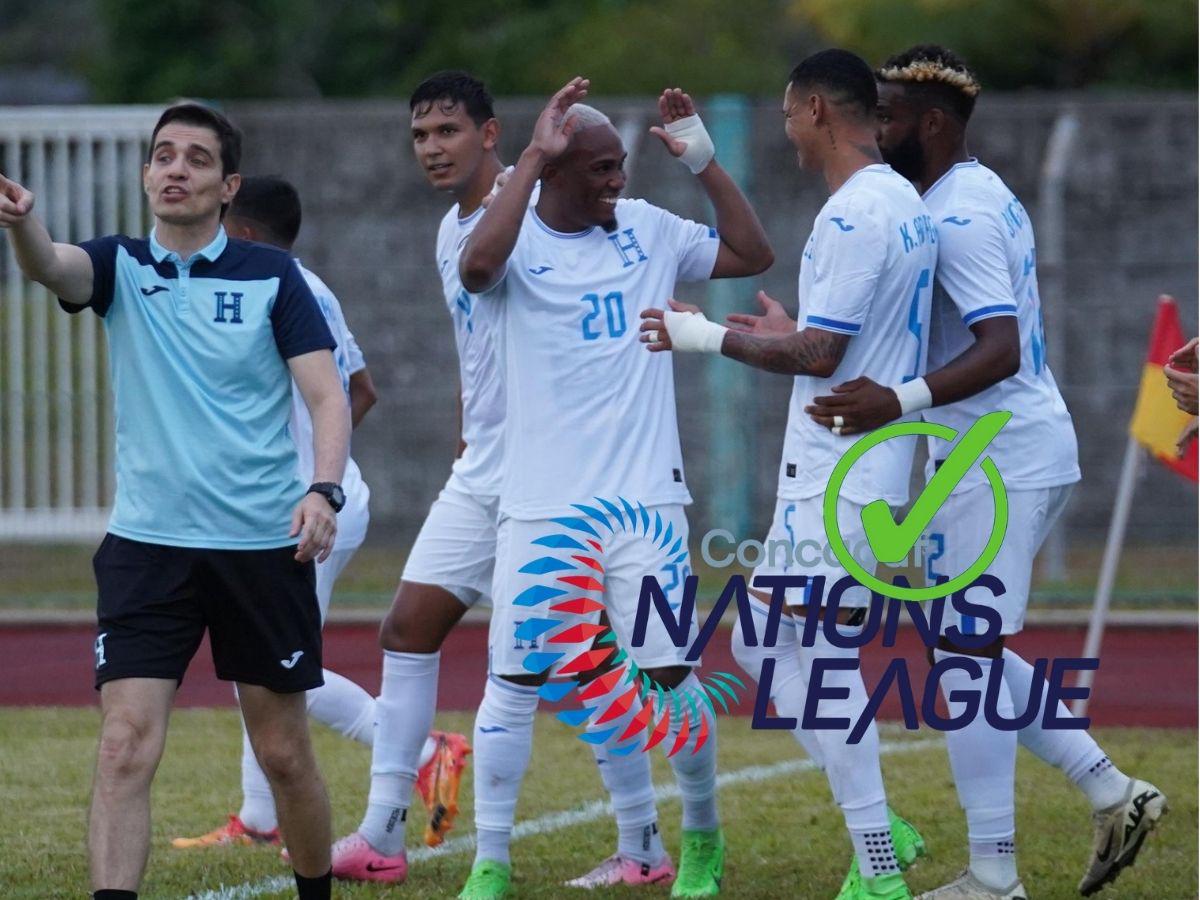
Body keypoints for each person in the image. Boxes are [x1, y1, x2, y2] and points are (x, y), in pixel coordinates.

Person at [809, 44, 1165, 899]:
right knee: (954, 645)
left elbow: (998, 349)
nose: (876, 126)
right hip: (984, 457)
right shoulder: (958, 192)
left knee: (963, 658)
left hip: (1000, 459)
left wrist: (895, 400)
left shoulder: (960, 210)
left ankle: (996, 877)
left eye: (889, 115)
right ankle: (1112, 791)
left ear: (932, 124)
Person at [0, 104, 350, 900]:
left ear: (227, 186)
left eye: (195, 158)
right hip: (147, 546)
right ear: (145, 175)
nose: (175, 169)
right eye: (162, 156)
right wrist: (22, 223)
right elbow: (51, 268)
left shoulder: (272, 277)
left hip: (262, 546)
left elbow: (328, 399)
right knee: (124, 744)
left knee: (284, 754)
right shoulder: (120, 266)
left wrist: (322, 490)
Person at [328, 72, 667, 888]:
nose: (432, 149)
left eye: (448, 131)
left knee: (581, 662)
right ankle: (382, 833)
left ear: (490, 134)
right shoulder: (450, 229)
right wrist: (464, 426)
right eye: (420, 136)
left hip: (555, 479)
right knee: (407, 628)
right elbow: (477, 341)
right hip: (483, 471)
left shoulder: (541, 204)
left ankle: (644, 842)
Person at [456, 77, 773, 899]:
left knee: (669, 679)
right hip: (541, 507)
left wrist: (702, 160)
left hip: (646, 509)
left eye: (618, 166)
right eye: (598, 169)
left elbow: (752, 253)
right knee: (514, 684)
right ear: (555, 171)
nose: (616, 181)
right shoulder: (512, 234)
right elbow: (476, 267)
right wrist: (529, 156)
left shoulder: (648, 230)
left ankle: (700, 838)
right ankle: (491, 864)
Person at [642, 49, 937, 900]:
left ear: (813, 109)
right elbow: (834, 335)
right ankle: (882, 826)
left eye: (784, 112)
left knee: (816, 657)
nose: (784, 126)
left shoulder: (853, 216)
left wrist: (703, 337)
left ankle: (878, 861)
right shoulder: (896, 202)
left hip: (845, 478)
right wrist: (788, 323)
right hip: (842, 472)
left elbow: (824, 354)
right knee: (766, 644)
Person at [168, 173, 445, 851]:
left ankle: (424, 749)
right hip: (319, 500)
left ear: (244, 231)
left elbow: (348, 395)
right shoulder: (311, 284)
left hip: (301, 510)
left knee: (274, 669)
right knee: (257, 663)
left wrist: (305, 475)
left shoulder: (265, 287)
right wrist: (320, 463)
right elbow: (363, 391)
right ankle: (259, 818)